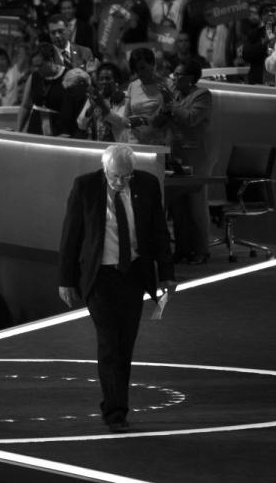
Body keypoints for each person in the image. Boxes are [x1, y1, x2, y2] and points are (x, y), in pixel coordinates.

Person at [59, 144, 176, 432]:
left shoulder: (147, 186)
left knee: (125, 345)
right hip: (100, 279)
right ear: (104, 169)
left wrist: (167, 274)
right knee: (109, 343)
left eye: (126, 176)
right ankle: (115, 412)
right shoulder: (85, 187)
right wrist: (65, 279)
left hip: (133, 276)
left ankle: (115, 403)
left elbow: (159, 232)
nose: (120, 182)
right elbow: (70, 235)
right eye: (115, 176)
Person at [158, 60, 214, 263]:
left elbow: (191, 119)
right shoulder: (175, 95)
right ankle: (182, 249)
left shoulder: (202, 95)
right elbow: (160, 120)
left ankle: (201, 251)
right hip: (175, 155)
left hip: (196, 156)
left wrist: (171, 104)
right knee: (177, 206)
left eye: (178, 74)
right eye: (174, 73)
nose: (174, 77)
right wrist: (164, 107)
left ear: (191, 79)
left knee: (195, 204)